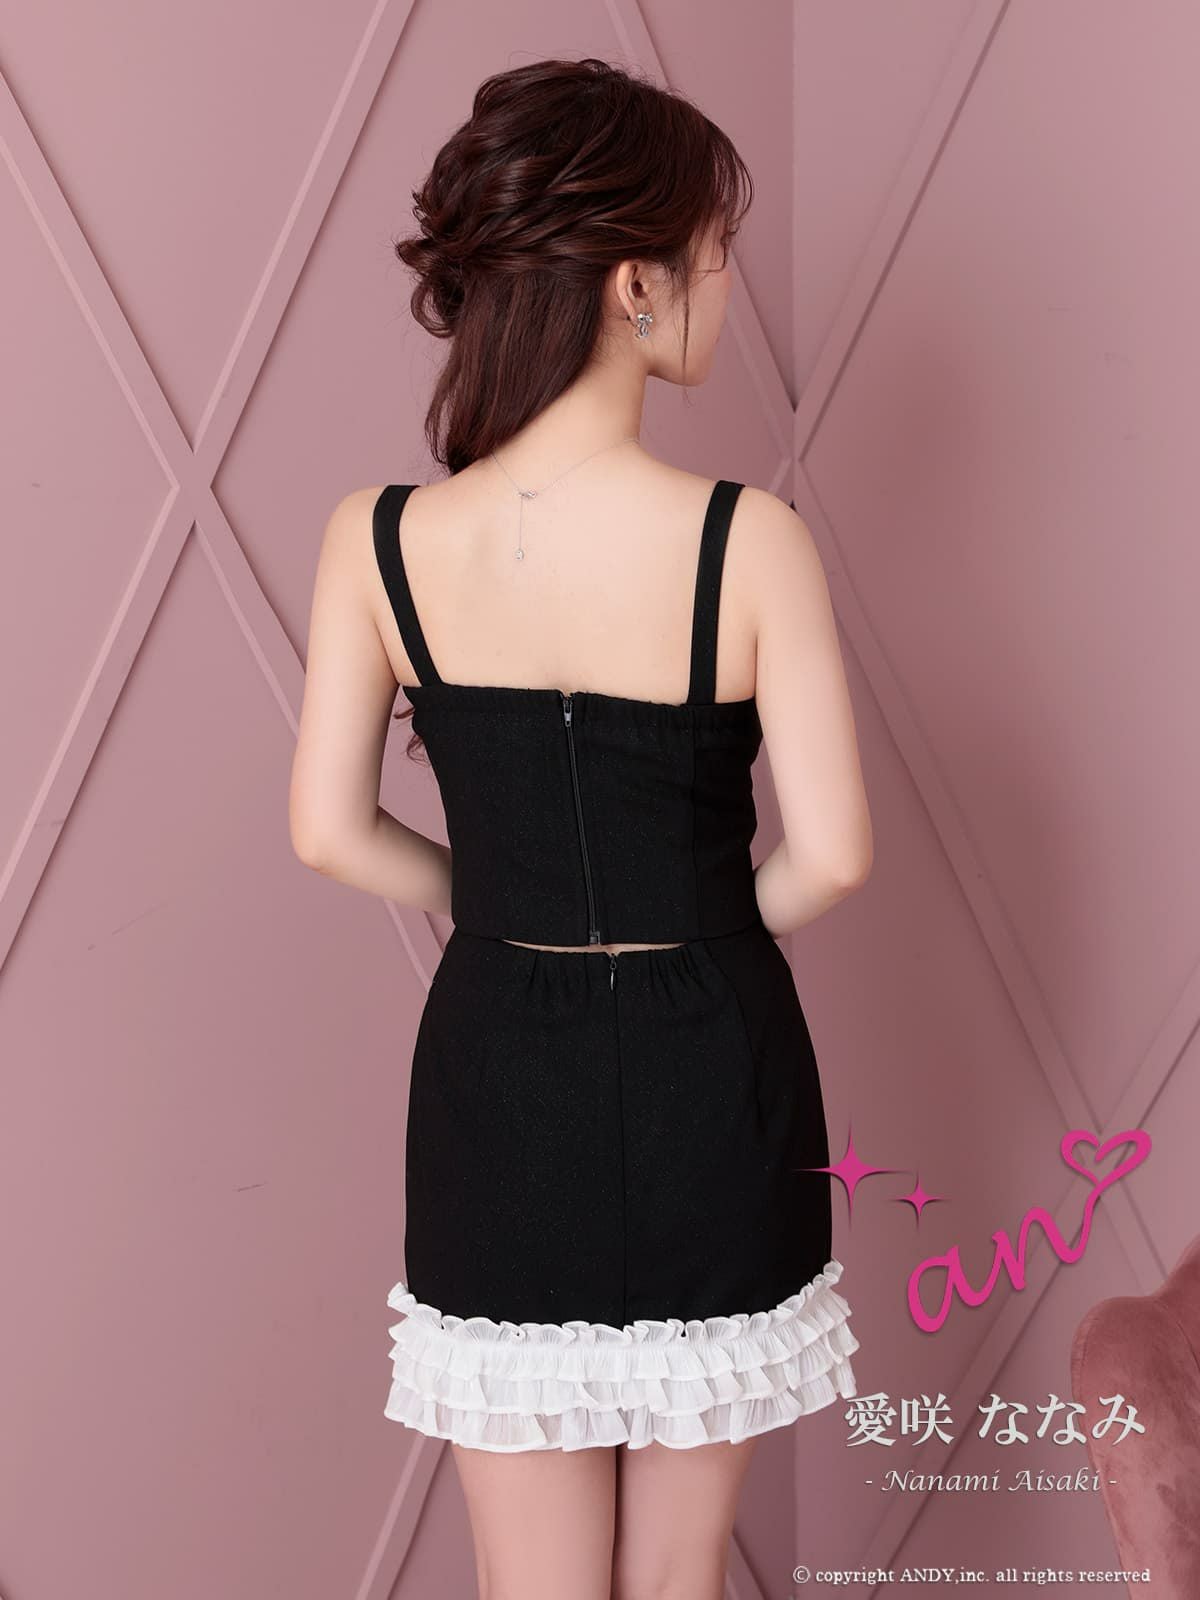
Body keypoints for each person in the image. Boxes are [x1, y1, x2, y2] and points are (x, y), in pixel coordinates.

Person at [289, 55, 873, 1600]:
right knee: (678, 1576)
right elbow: (833, 855)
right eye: (716, 253)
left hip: (497, 1069)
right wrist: (698, 925)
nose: (726, 286)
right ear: (633, 283)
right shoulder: (750, 542)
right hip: (716, 1066)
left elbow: (330, 832)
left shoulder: (378, 540)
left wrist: (505, 898)